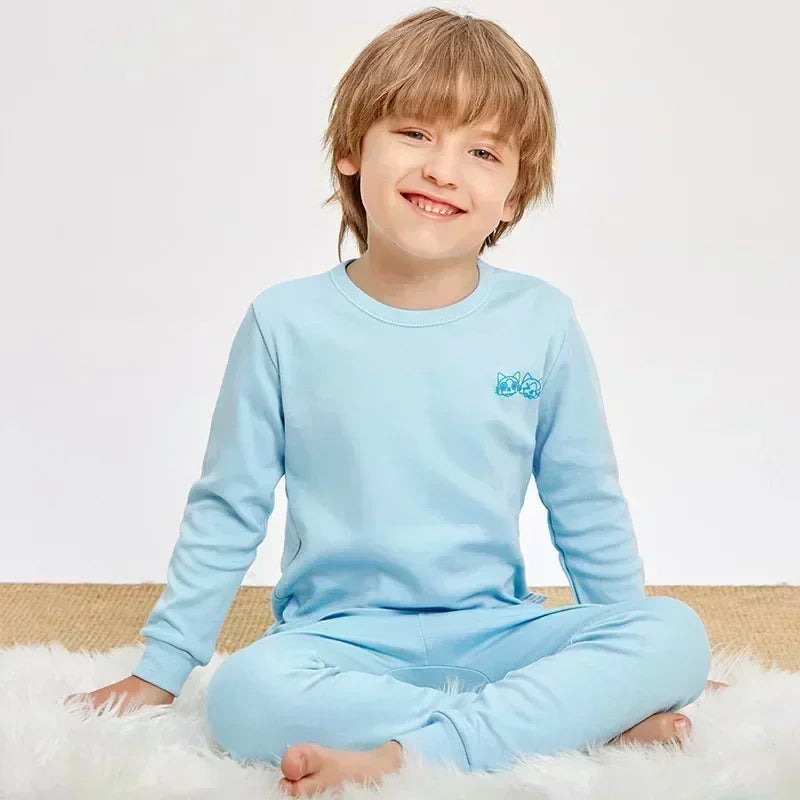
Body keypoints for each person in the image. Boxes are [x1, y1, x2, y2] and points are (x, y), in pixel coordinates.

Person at [65, 8, 726, 797]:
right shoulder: (284, 323)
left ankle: (416, 748)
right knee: (243, 696)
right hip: (338, 643)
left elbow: (585, 501)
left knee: (675, 634)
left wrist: (632, 662)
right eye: (415, 133)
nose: (444, 169)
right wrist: (164, 667)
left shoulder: (541, 322)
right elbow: (229, 506)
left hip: (499, 632)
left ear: (513, 198)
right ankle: (531, 725)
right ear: (352, 152)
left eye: (482, 151)